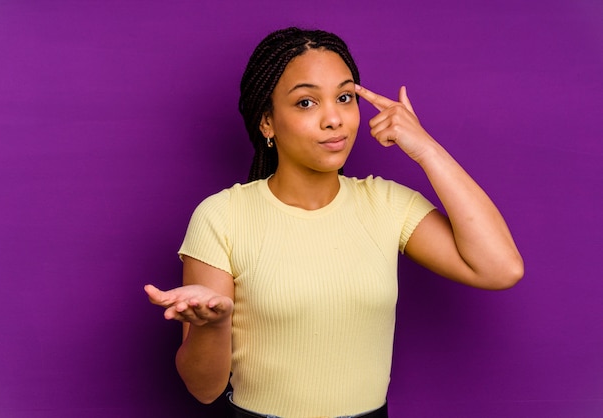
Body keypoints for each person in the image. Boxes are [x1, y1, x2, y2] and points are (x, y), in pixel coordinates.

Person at [145, 27, 523, 418]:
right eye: (306, 102)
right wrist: (213, 326)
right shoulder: (221, 217)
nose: (333, 119)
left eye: (344, 98)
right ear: (267, 123)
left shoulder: (388, 204)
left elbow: (501, 268)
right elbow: (203, 390)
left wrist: (426, 148)